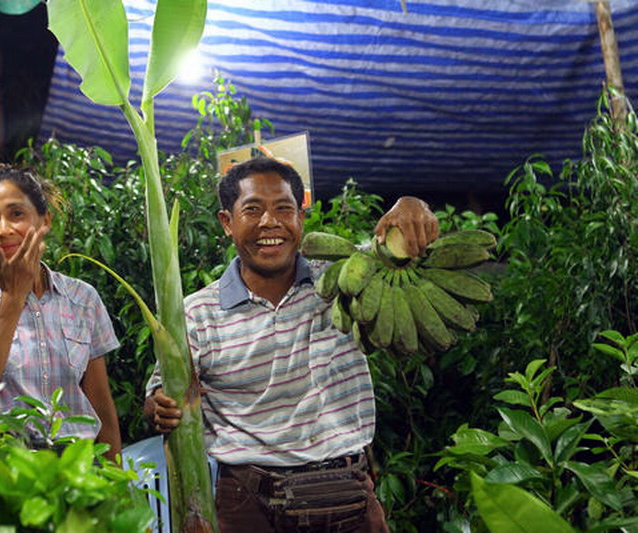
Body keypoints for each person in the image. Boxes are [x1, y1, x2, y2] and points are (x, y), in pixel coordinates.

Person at [143, 156, 438, 532]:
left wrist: (413, 206)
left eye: (284, 209)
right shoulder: (197, 312)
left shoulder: (344, 283)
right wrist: (158, 407)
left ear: (301, 218)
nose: (270, 222)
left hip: (345, 492)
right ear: (226, 223)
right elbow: (160, 393)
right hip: (248, 504)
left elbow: (397, 250)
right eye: (253, 210)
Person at [0, 165, 122, 461]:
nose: (3, 229)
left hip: (82, 472)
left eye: (16, 214)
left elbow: (101, 408)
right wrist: (12, 298)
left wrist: (119, 482)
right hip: (7, 473)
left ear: (45, 220)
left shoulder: (82, 298)